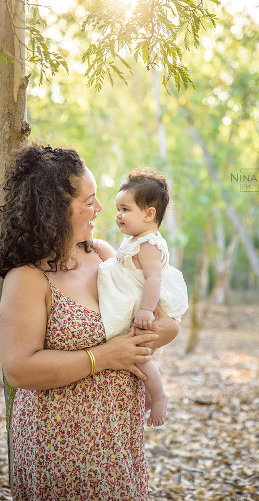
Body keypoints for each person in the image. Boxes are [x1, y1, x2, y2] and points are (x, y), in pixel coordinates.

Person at [0, 144, 179, 499]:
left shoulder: (106, 255)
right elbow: (18, 369)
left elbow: (167, 322)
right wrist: (105, 356)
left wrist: (148, 337)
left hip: (119, 438)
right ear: (54, 209)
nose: (99, 209)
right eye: (89, 201)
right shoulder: (28, 277)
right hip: (62, 449)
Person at [97, 168, 188, 427]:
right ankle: (149, 395)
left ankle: (159, 396)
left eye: (125, 209)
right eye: (118, 208)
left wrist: (147, 310)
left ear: (149, 214)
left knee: (138, 356)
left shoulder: (149, 244)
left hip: (146, 306)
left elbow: (154, 279)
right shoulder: (137, 240)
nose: (118, 215)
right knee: (136, 356)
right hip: (136, 303)